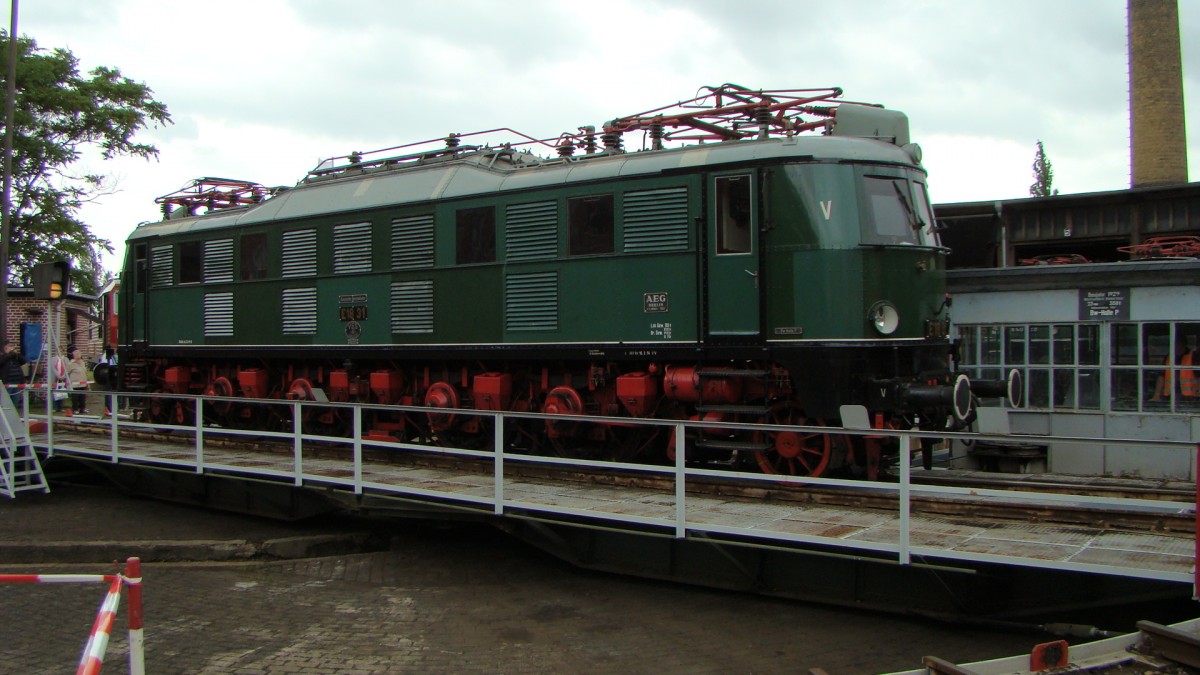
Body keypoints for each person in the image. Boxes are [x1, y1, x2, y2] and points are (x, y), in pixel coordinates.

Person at [1152, 334, 1197, 403]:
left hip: (1191, 397)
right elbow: (1162, 376)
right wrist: (1156, 395)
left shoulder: (1193, 357)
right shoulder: (1169, 357)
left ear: (1184, 344)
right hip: (1171, 395)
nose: (1176, 347)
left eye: (1178, 344)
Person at [66, 348, 90, 414]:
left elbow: (85, 372)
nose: (79, 355)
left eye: (80, 353)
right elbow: (66, 373)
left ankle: (82, 409)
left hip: (83, 383)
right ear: (74, 355)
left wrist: (87, 382)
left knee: (83, 398)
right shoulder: (70, 364)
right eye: (77, 354)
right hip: (75, 385)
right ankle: (75, 409)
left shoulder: (82, 362)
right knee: (75, 398)